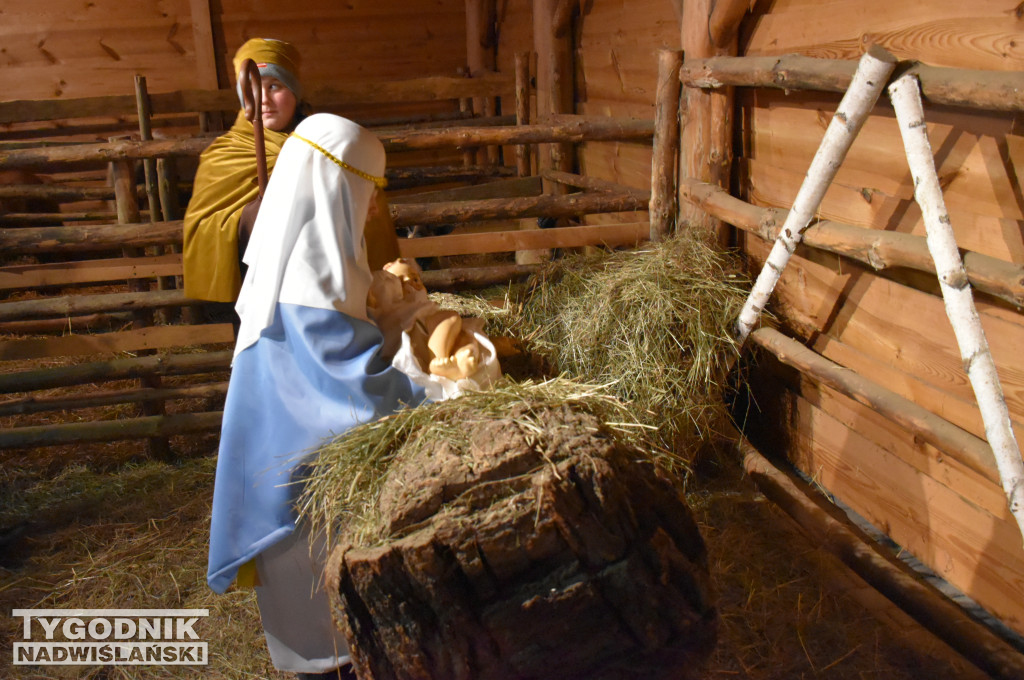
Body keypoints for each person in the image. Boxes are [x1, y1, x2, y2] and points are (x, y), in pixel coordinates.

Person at [206, 114, 423, 679]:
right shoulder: (309, 288)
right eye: (366, 191)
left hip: (296, 476)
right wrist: (436, 391)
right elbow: (353, 394)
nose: (374, 209)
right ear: (336, 188)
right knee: (332, 644)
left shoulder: (301, 267)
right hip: (300, 500)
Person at [183, 37, 398, 303]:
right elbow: (206, 227)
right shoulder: (225, 155)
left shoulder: (327, 145)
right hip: (259, 294)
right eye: (252, 88)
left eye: (275, 86)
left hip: (328, 289)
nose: (264, 99)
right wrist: (252, 215)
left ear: (295, 92)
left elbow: (365, 202)